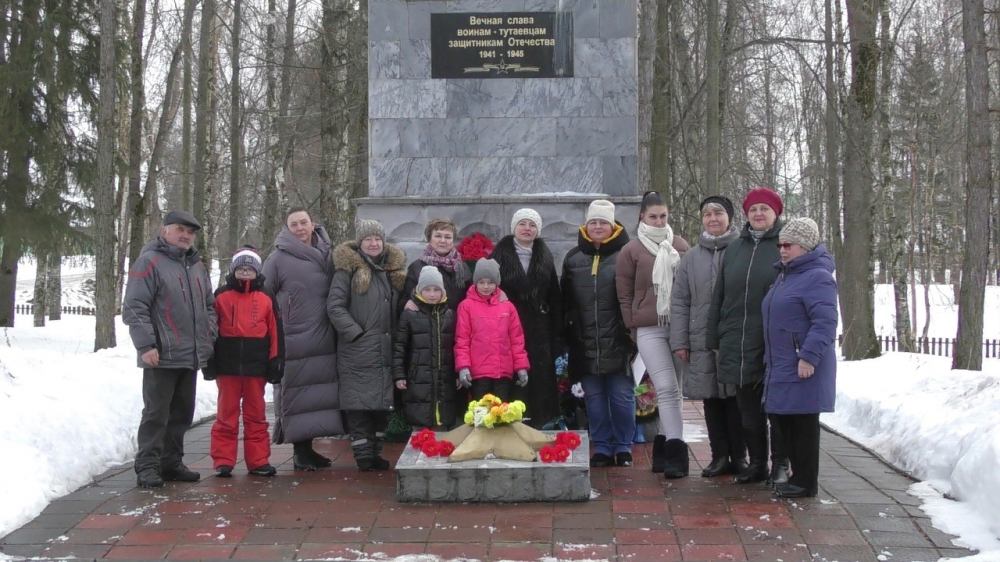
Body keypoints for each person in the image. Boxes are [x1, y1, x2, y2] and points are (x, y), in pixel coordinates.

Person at [123, 210, 217, 488]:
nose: (185, 235)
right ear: (165, 230)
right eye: (180, 229)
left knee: (182, 414)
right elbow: (134, 306)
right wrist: (146, 345)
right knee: (156, 414)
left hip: (190, 356)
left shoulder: (197, 266)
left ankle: (171, 463)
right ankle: (147, 466)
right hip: (161, 355)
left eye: (190, 232)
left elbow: (209, 306)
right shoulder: (149, 262)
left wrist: (208, 336)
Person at [708, 187, 789, 485]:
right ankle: (757, 463)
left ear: (775, 213)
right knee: (748, 411)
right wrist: (714, 336)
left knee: (776, 410)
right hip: (737, 339)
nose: (758, 214)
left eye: (764, 209)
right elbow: (720, 295)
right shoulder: (735, 249)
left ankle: (781, 462)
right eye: (753, 209)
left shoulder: (785, 245)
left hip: (772, 341)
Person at [671, 196, 747, 478]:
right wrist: (680, 340)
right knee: (711, 400)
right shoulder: (691, 257)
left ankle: (740, 456)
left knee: (736, 399)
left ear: (729, 217)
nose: (713, 219)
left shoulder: (742, 250)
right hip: (701, 337)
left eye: (718, 213)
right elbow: (680, 300)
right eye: (707, 214)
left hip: (734, 338)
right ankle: (719, 456)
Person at [615, 191, 690, 477]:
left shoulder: (680, 246)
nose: (658, 222)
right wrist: (632, 326)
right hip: (648, 328)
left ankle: (662, 448)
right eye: (652, 216)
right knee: (667, 388)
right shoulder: (631, 250)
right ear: (641, 217)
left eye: (663, 216)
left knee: (675, 391)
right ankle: (677, 453)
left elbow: (689, 287)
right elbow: (624, 294)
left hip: (679, 326)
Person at [262, 207, 343, 471]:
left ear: (312, 223)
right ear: (287, 228)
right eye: (294, 224)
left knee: (319, 396)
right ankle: (300, 450)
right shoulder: (277, 259)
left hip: (325, 335)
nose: (299, 228)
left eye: (303, 222)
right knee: (297, 395)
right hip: (294, 337)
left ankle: (309, 449)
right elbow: (264, 296)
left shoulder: (328, 252)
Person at [763, 218, 838, 498]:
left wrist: (808, 357)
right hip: (782, 362)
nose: (782, 250)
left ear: (805, 247)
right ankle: (798, 477)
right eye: (780, 244)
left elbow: (826, 322)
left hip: (802, 363)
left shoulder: (817, 277)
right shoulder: (786, 275)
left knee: (803, 426)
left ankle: (806, 481)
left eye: (788, 245)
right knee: (786, 423)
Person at [327, 220, 407, 471]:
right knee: (359, 406)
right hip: (358, 349)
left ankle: (375, 452)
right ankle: (363, 456)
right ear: (359, 243)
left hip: (384, 348)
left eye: (377, 239)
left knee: (380, 406)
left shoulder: (391, 270)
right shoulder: (347, 270)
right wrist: (355, 333)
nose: (373, 244)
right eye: (368, 240)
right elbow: (335, 306)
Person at [562, 199, 635, 468]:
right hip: (585, 342)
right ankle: (602, 446)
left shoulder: (626, 253)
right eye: (593, 222)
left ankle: (623, 446)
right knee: (594, 399)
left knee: (621, 398)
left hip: (618, 340)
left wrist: (631, 334)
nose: (597, 227)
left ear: (613, 224)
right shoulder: (573, 258)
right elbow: (566, 301)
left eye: (603, 222)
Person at [204, 246, 282, 478]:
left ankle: (258, 460)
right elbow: (209, 331)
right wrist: (208, 359)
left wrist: (276, 360)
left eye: (250, 269)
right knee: (226, 415)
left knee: (256, 415)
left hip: (255, 367)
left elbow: (276, 332)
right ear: (233, 270)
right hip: (227, 367)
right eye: (241, 268)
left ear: (257, 271)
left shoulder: (266, 297)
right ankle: (223, 460)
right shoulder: (221, 296)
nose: (245, 272)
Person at [489, 208, 564, 429]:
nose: (527, 229)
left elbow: (554, 295)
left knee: (539, 377)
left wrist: (557, 333)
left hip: (539, 328)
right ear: (514, 228)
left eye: (532, 225)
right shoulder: (498, 256)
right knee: (512, 376)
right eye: (523, 224)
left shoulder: (545, 256)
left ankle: (542, 423)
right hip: (507, 326)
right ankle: (510, 421)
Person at [454, 258, 530, 402]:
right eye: (481, 282)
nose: (486, 286)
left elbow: (517, 340)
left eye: (490, 282)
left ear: (497, 283)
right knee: (481, 416)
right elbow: (462, 340)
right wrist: (463, 366)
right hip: (478, 374)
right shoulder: (466, 306)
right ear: (475, 282)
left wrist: (521, 367)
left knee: (502, 414)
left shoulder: (508, 307)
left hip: (503, 373)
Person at [393, 266, 459, 429]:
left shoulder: (450, 314)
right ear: (419, 291)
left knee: (444, 412)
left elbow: (456, 346)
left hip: (445, 376)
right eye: (427, 290)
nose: (431, 294)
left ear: (442, 291)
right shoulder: (410, 314)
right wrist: (399, 374)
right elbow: (400, 346)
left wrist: (458, 372)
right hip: (418, 377)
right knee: (420, 416)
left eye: (436, 290)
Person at [400, 218, 472, 314]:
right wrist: (406, 303)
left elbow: (473, 295)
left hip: (457, 324)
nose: (443, 241)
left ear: (453, 240)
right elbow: (405, 299)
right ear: (429, 238)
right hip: (427, 325)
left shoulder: (462, 267)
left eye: (447, 237)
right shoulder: (417, 267)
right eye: (438, 236)